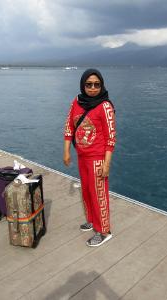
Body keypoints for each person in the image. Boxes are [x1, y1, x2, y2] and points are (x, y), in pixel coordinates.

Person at [63, 69, 116, 247]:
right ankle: (92, 221)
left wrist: (107, 164)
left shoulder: (105, 106)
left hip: (97, 158)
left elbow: (111, 138)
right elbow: (69, 127)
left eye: (96, 84)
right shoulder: (76, 102)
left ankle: (104, 231)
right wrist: (67, 151)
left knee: (99, 194)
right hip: (82, 157)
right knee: (86, 191)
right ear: (82, 85)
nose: (93, 88)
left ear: (101, 85)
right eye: (89, 84)